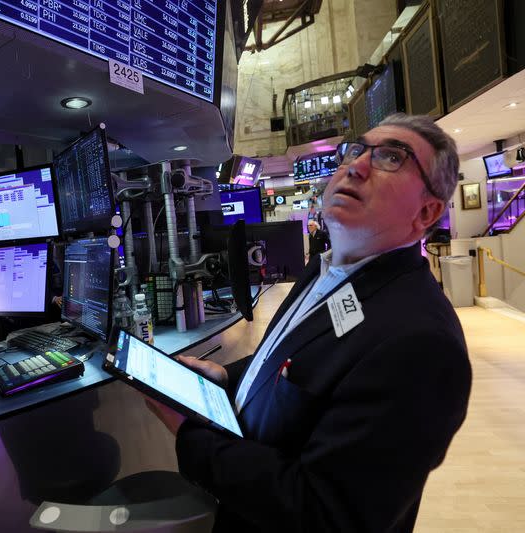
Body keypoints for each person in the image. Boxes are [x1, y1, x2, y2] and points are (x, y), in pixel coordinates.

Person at [145, 114, 472, 532]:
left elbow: (327, 513)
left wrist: (190, 434)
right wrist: (227, 374)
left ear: (427, 211)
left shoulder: (422, 345)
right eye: (357, 150)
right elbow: (300, 361)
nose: (356, 165)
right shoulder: (326, 269)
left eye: (391, 157)